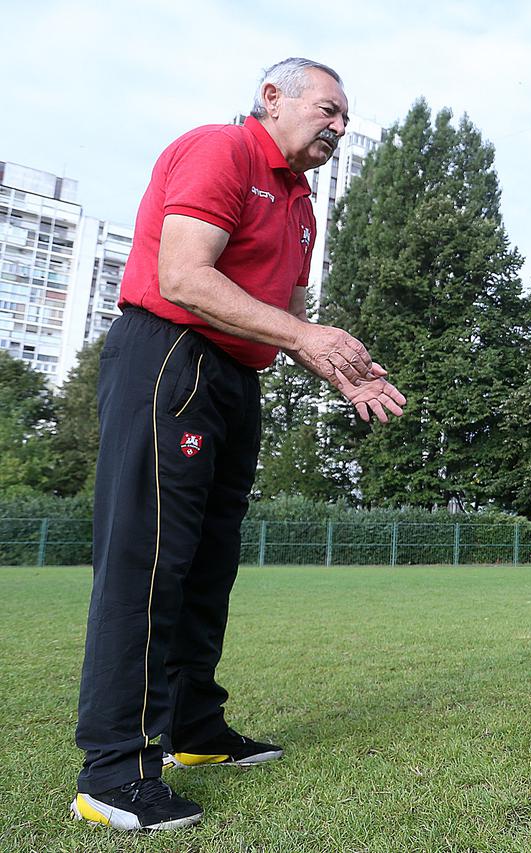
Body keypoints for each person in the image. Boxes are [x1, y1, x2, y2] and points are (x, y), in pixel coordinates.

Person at [72, 58, 406, 832]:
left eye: (345, 119)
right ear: (272, 99)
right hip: (171, 354)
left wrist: (338, 371)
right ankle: (114, 769)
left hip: (233, 377)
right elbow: (184, 276)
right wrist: (305, 331)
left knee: (207, 563)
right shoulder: (222, 150)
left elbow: (285, 317)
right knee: (150, 562)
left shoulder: (302, 205)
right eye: (328, 109)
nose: (338, 127)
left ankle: (194, 728)